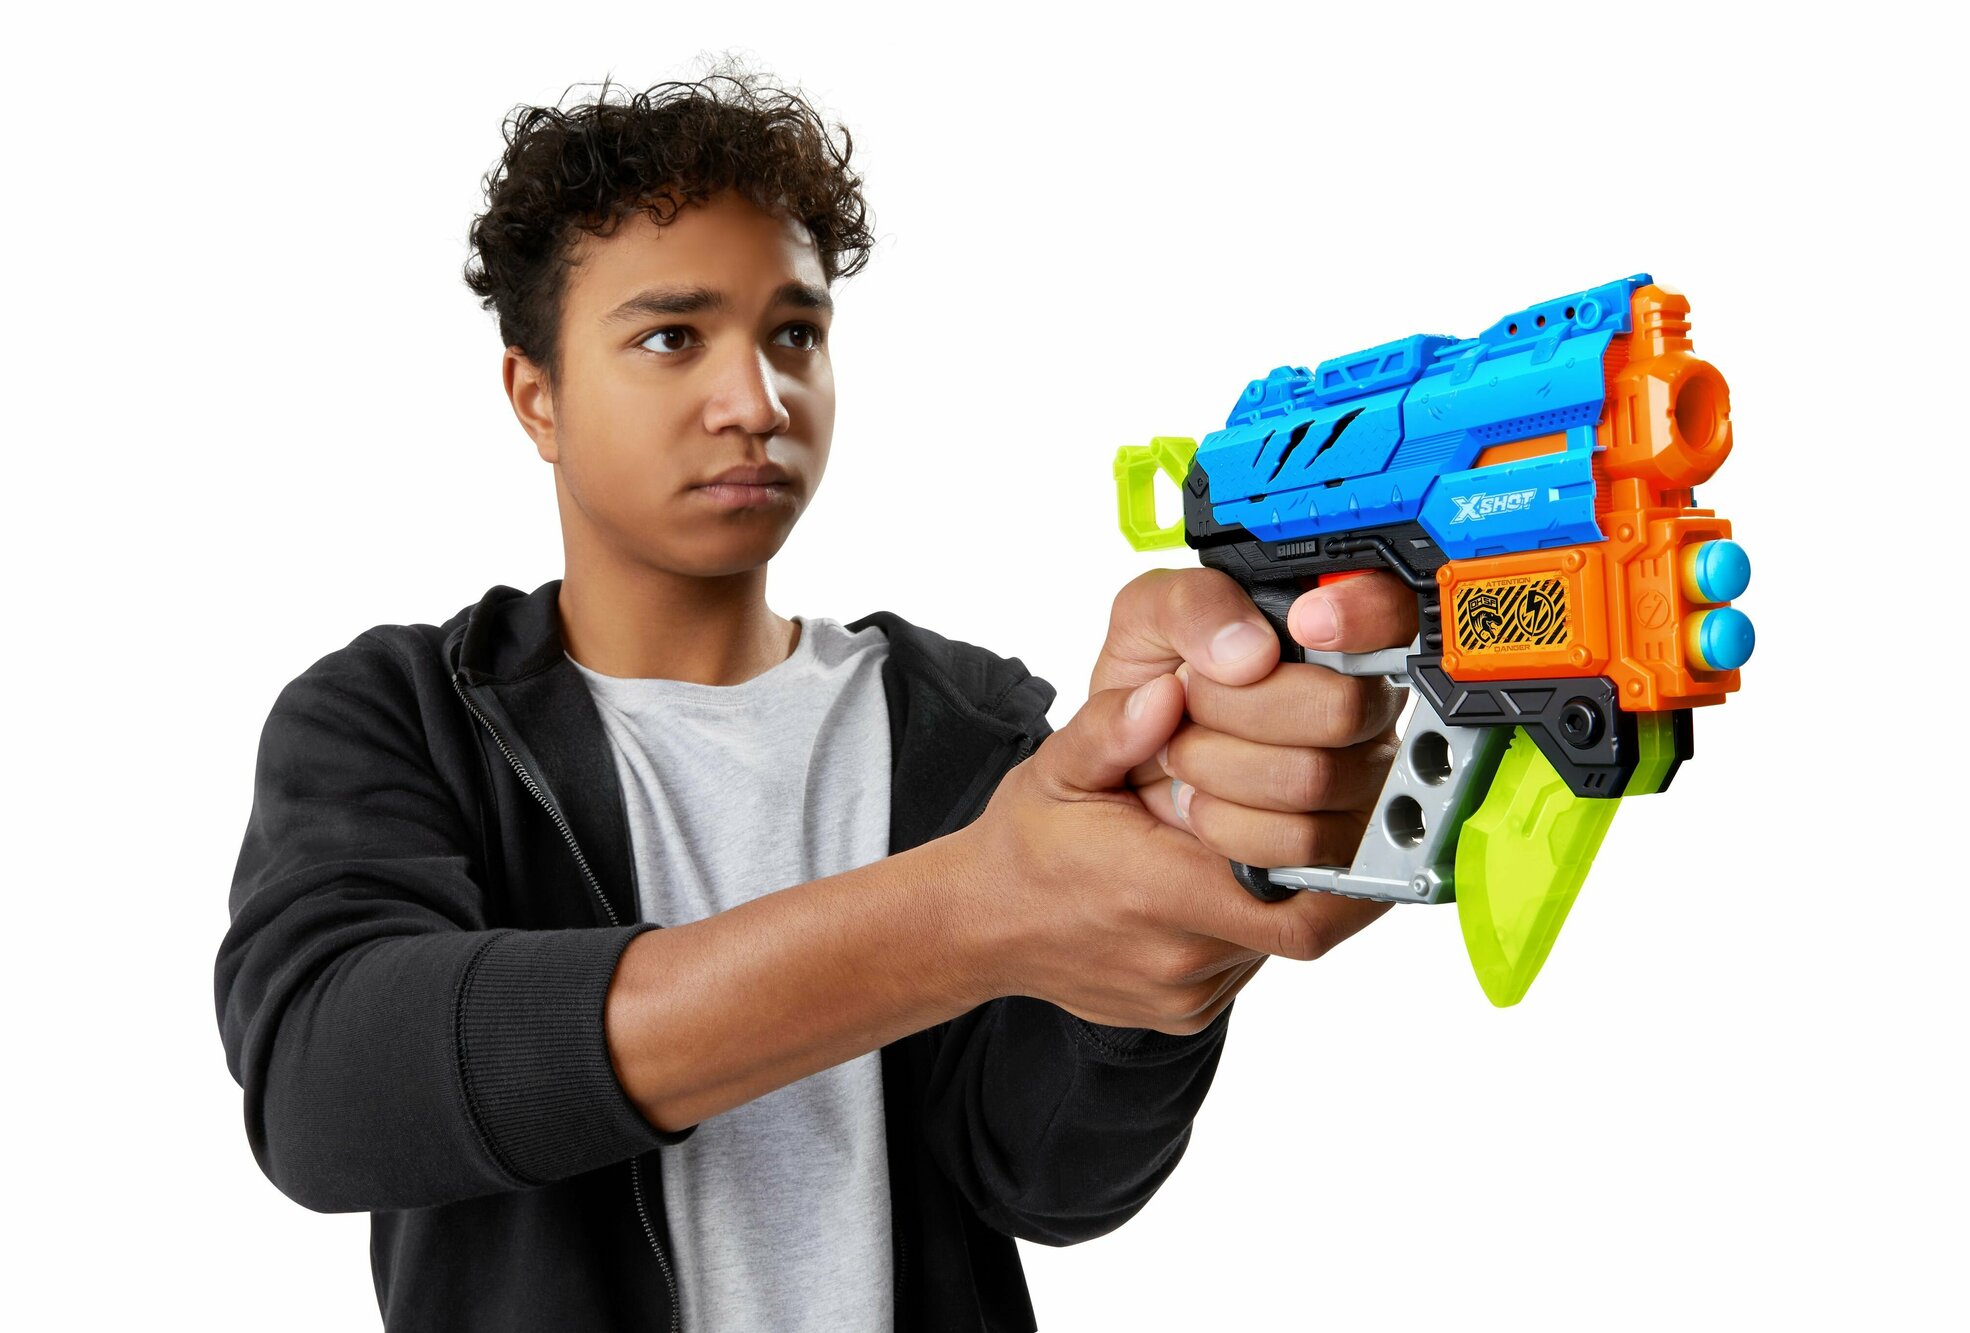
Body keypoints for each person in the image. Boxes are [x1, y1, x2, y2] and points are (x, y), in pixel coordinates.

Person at [215, 60, 1418, 1333]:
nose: (757, 402)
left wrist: (1167, 896)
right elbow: (327, 1094)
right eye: (671, 337)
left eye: (794, 333)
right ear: (537, 396)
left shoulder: (967, 718)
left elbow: (1053, 1181)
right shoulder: (400, 713)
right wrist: (977, 906)